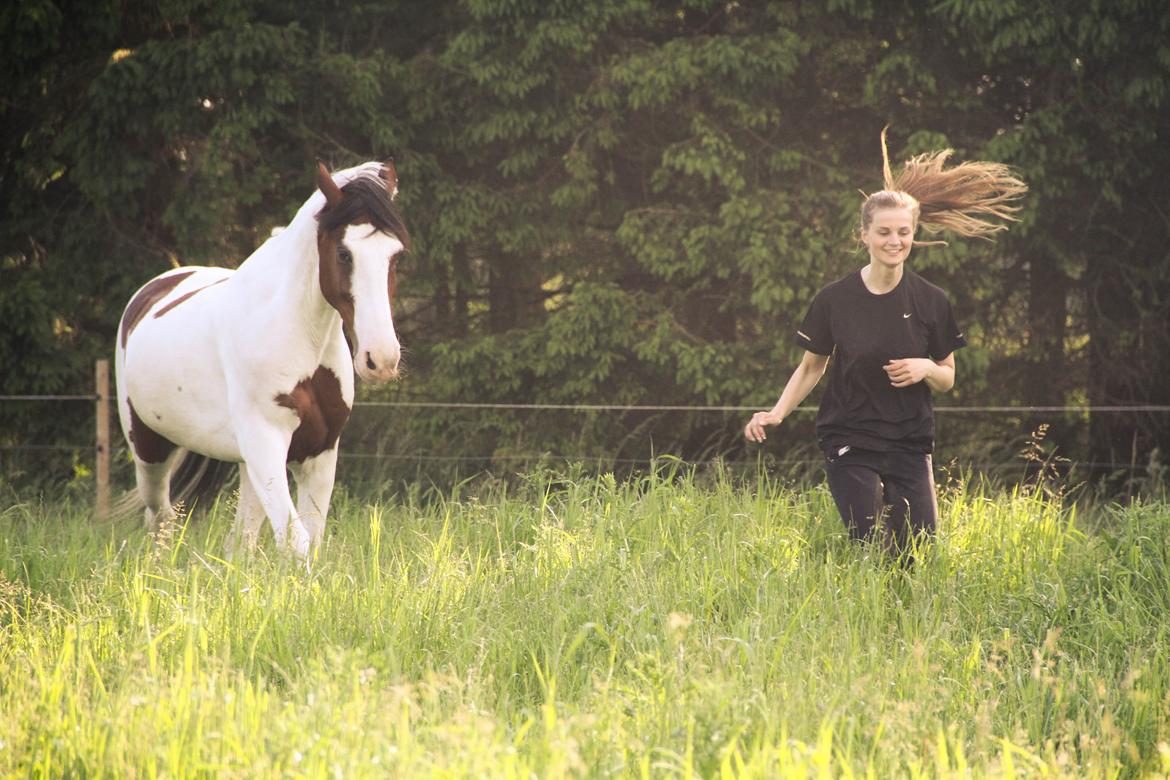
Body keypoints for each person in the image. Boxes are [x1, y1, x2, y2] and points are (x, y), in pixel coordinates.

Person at [744, 130, 1026, 550]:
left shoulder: (932, 300)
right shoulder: (834, 299)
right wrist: (777, 414)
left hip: (910, 441)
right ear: (865, 236)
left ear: (914, 234)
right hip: (850, 437)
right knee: (871, 541)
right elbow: (811, 366)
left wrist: (927, 367)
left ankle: (902, 616)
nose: (895, 242)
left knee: (918, 549)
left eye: (903, 233)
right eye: (884, 233)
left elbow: (948, 377)